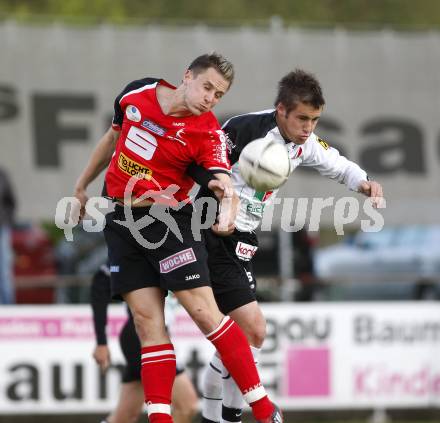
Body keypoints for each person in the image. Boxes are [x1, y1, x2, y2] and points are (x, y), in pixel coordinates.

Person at [73, 53, 282, 423]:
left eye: (219, 95)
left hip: (168, 224)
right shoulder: (137, 93)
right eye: (207, 87)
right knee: (145, 324)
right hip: (121, 223)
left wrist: (228, 204)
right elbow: (112, 136)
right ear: (187, 76)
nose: (210, 99)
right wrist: (80, 186)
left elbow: (220, 180)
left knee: (204, 314)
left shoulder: (207, 132)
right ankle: (160, 419)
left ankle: (265, 410)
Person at [189, 68, 384, 423]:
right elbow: (202, 162)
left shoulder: (304, 143)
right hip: (211, 232)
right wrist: (223, 197)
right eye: (302, 118)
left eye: (314, 120)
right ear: (281, 109)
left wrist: (364, 182)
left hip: (242, 239)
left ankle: (212, 416)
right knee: (253, 330)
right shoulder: (245, 129)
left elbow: (335, 162)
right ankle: (230, 416)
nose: (309, 127)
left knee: (238, 338)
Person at [90, 263, 199, 423]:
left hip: (152, 336)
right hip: (141, 337)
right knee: (187, 406)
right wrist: (101, 342)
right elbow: (101, 280)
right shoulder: (143, 249)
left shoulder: (175, 252)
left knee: (125, 416)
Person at [0, 167, 16, 304]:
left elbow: (11, 202)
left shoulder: (2, 174)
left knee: (4, 272)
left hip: (2, 228)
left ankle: (8, 310)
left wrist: (6, 221)